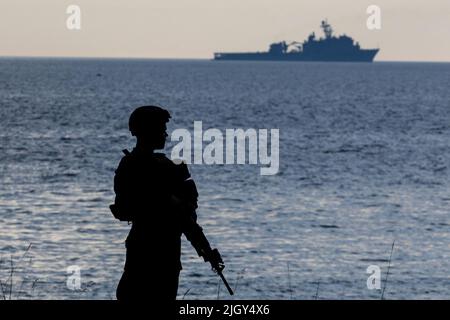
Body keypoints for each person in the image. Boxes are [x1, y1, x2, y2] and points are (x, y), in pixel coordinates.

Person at [110, 105, 225, 301]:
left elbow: (184, 217)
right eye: (161, 129)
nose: (165, 134)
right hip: (154, 251)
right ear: (148, 131)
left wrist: (206, 250)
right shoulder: (142, 166)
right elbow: (182, 217)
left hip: (156, 250)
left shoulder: (148, 165)